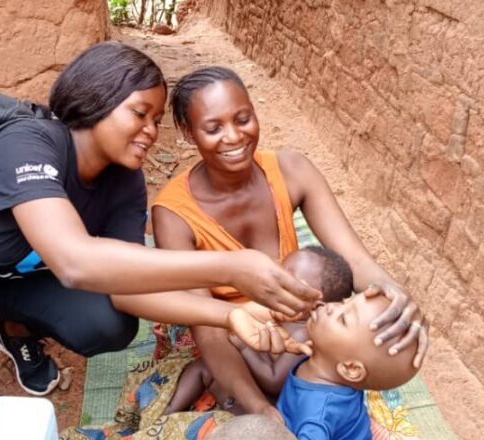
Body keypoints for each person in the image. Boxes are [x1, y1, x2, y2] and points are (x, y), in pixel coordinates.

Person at [0, 44, 321, 397]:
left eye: (158, 119)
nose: (151, 130)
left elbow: (125, 287)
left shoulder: (125, 181)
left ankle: (13, 328)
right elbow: (75, 261)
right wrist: (231, 266)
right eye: (140, 113)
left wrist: (231, 314)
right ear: (98, 98)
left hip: (6, 278)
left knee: (109, 322)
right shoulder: (28, 143)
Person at [150, 65, 429, 419]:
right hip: (230, 331)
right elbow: (209, 332)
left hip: (299, 326)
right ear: (189, 134)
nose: (234, 137)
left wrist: (397, 296)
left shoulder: (293, 170)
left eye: (243, 118)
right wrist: (261, 409)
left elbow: (355, 262)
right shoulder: (174, 213)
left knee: (350, 363)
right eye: (213, 128)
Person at [164, 245, 354, 414]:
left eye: (289, 279)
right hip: (243, 384)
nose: (275, 280)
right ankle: (169, 411)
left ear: (317, 307)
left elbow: (274, 381)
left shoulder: (304, 334)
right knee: (203, 365)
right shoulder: (272, 313)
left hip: (269, 403)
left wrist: (242, 347)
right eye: (279, 271)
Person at [276, 293, 419, 439]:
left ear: (351, 369)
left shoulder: (316, 417)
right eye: (343, 302)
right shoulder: (324, 360)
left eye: (343, 319)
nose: (331, 306)